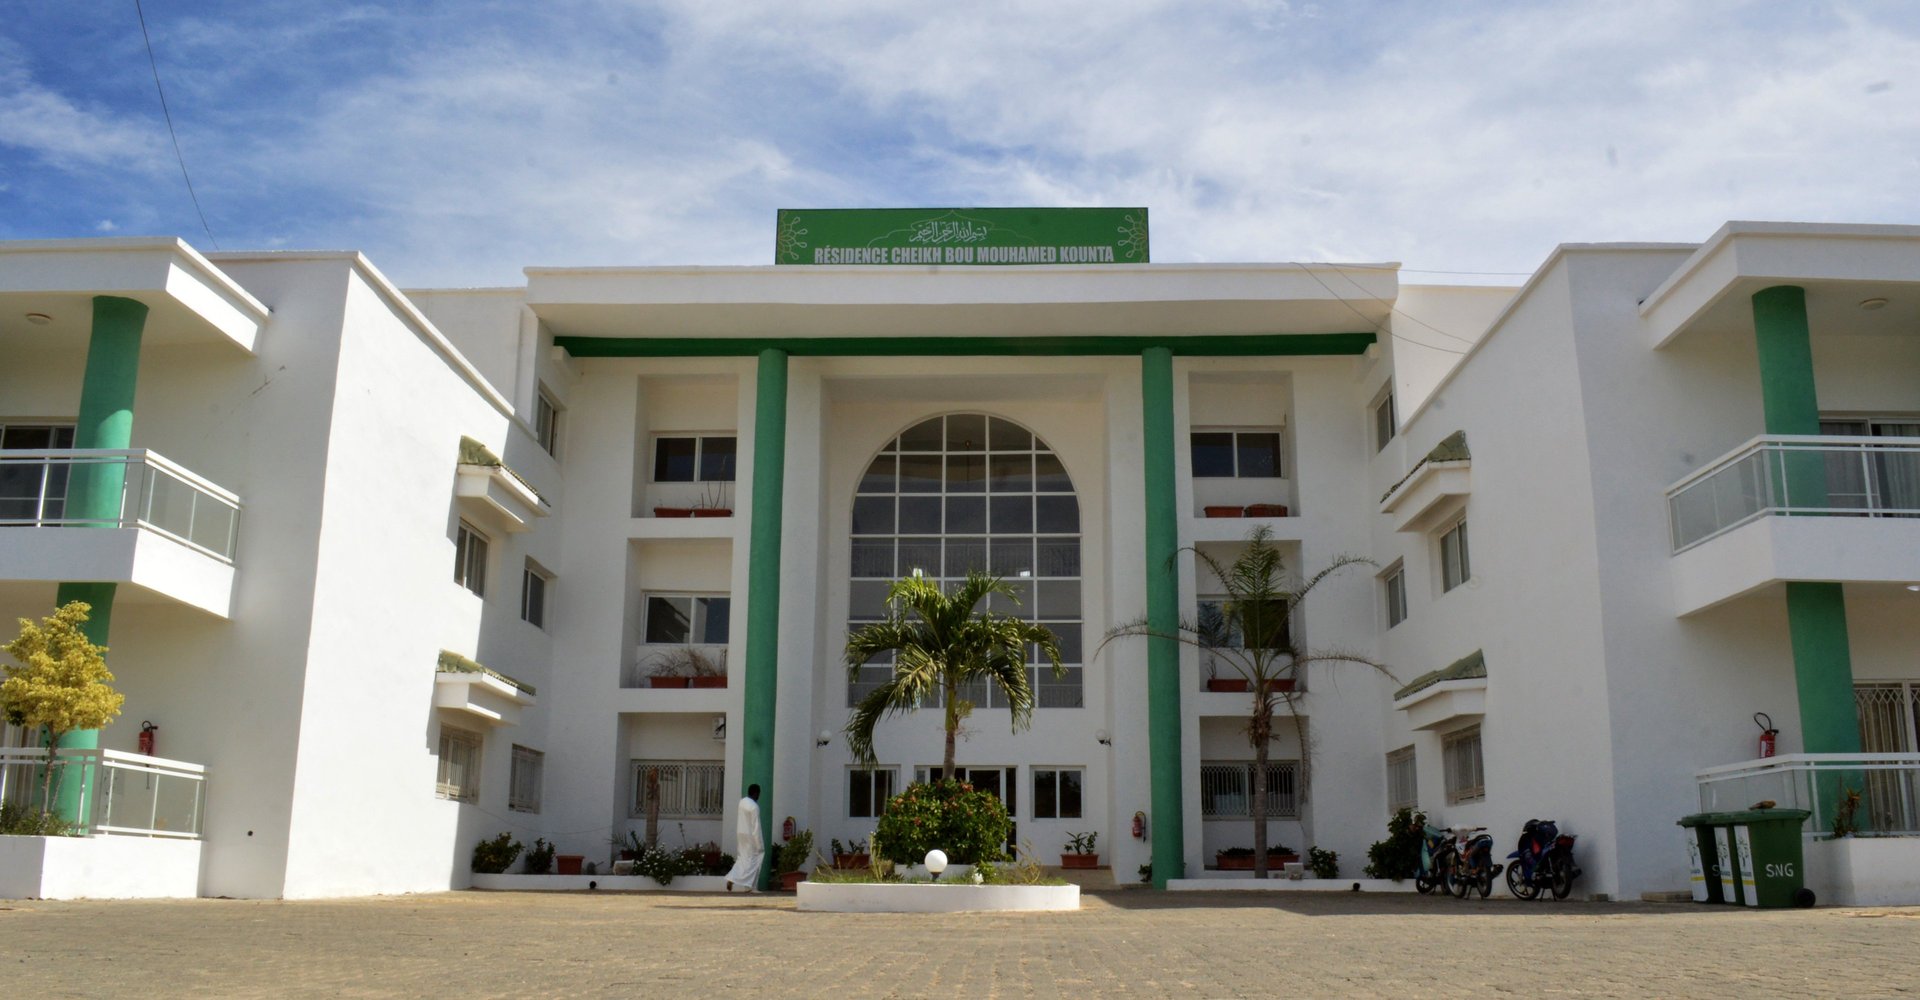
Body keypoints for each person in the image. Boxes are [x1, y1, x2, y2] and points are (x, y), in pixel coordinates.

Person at [724, 784, 764, 893]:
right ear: (756, 793)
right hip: (751, 836)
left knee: (742, 859)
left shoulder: (742, 802)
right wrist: (759, 844)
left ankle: (732, 877)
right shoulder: (754, 807)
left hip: (741, 834)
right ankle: (750, 886)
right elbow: (756, 827)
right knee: (755, 860)